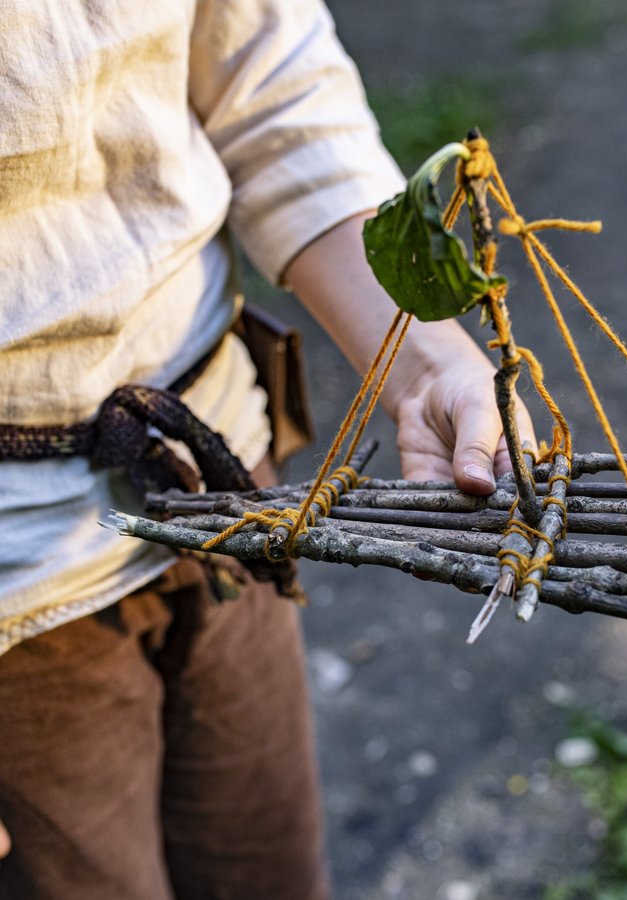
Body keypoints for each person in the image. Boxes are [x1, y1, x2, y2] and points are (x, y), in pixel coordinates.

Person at [0, 1, 534, 897]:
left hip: (230, 490)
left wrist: (425, 358)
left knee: (270, 868)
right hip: (19, 618)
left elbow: (268, 77)